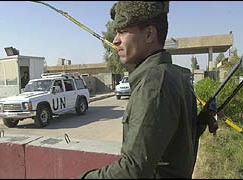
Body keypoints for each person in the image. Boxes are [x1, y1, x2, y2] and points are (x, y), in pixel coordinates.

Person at [77, 1, 198, 178]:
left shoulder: (154, 84)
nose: (115, 40)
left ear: (149, 34)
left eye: (122, 31)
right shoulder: (176, 75)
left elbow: (132, 171)